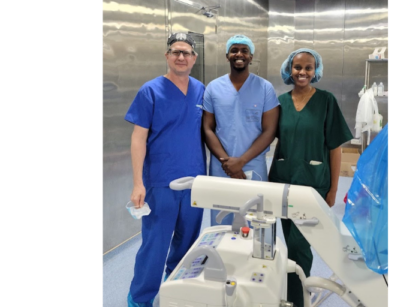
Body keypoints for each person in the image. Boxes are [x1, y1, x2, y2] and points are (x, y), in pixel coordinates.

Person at [123, 32, 206, 307]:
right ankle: (140, 298)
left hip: (194, 180)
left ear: (194, 58)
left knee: (188, 244)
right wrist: (138, 183)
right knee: (154, 246)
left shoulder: (201, 90)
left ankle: (176, 290)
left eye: (186, 53)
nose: (181, 57)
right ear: (167, 56)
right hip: (161, 182)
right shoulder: (151, 91)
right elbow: (138, 138)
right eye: (175, 51)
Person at [268, 48, 353, 307]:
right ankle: (294, 290)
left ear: (316, 71)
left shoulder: (326, 101)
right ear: (288, 69)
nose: (302, 72)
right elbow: (265, 136)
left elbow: (335, 148)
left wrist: (333, 189)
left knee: (299, 245)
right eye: (297, 67)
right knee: (286, 240)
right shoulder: (280, 102)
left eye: (308, 67)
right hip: (282, 180)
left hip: (314, 182)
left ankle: (296, 299)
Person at [202, 34, 280, 226]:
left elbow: (269, 131)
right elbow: (207, 128)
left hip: (253, 166)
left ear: (251, 57)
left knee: (256, 223)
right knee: (221, 222)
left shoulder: (265, 88)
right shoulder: (213, 88)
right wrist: (227, 162)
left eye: (244, 51)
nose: (239, 54)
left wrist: (242, 161)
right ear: (227, 55)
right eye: (234, 50)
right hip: (222, 167)